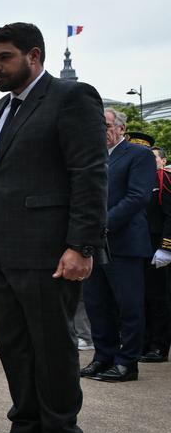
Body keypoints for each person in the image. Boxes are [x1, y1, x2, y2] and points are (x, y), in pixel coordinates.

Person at [0, 22, 108, 433]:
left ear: (34, 56)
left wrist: (81, 245)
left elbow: (88, 174)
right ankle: (25, 428)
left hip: (51, 250)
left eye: (4, 57)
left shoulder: (72, 98)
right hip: (1, 250)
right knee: (13, 345)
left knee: (51, 345)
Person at [80, 109, 156, 382]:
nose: (102, 131)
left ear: (121, 129)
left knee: (128, 305)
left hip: (123, 243)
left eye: (107, 125)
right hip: (92, 245)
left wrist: (100, 226)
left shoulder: (139, 155)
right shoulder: (91, 158)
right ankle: (103, 357)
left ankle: (128, 362)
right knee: (97, 304)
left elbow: (137, 197)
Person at [142, 144, 171, 362]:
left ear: (163, 160)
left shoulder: (164, 179)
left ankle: (159, 346)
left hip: (157, 245)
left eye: (153, 158)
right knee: (142, 297)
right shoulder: (139, 178)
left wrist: (166, 247)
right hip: (139, 246)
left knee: (159, 297)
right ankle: (146, 342)